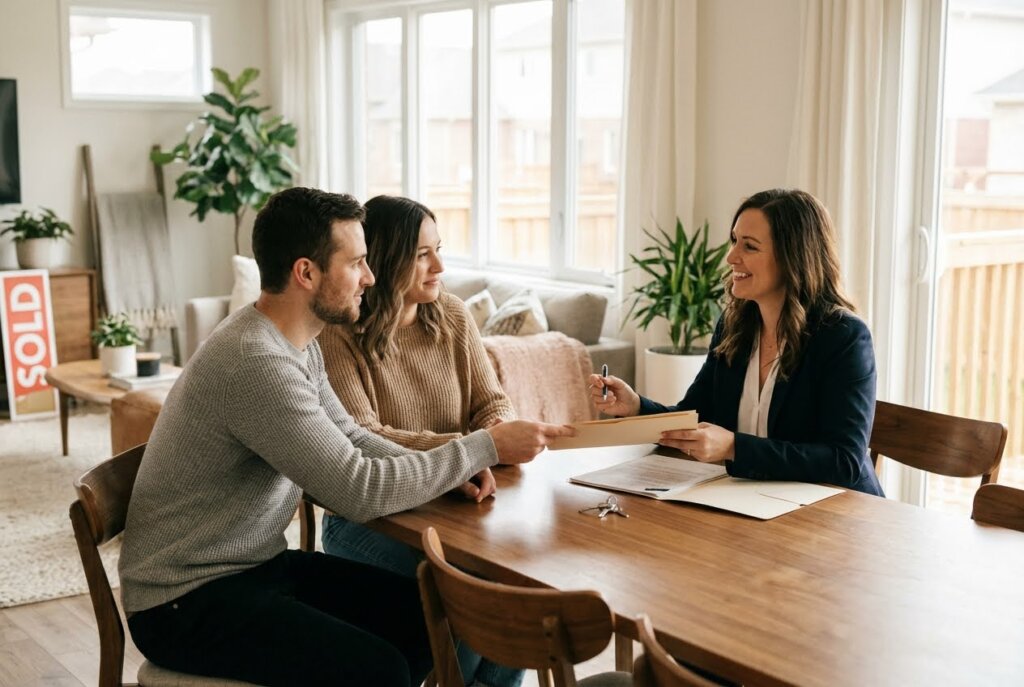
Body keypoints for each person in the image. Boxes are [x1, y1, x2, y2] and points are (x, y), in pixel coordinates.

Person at [118, 187, 574, 687]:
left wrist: (453, 466)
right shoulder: (256, 361)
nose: (370, 277)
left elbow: (352, 435)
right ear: (306, 273)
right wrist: (481, 447)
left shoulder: (296, 342)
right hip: (185, 599)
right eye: (357, 262)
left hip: (254, 568)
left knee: (432, 619)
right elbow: (357, 489)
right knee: (379, 669)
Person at [318, 195, 524, 687]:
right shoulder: (339, 334)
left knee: (520, 591)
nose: (440, 267)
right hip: (369, 519)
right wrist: (468, 449)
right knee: (465, 596)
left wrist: (491, 438)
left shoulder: (451, 315)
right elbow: (364, 436)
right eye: (422, 255)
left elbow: (492, 403)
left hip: (456, 509)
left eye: (439, 250)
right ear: (386, 261)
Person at [591, 189, 884, 496]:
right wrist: (636, 407)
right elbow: (695, 416)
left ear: (792, 257)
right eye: (734, 240)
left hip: (837, 513)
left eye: (750, 246)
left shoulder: (843, 336)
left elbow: (844, 461)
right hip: (758, 501)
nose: (731, 257)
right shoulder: (735, 325)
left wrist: (734, 447)